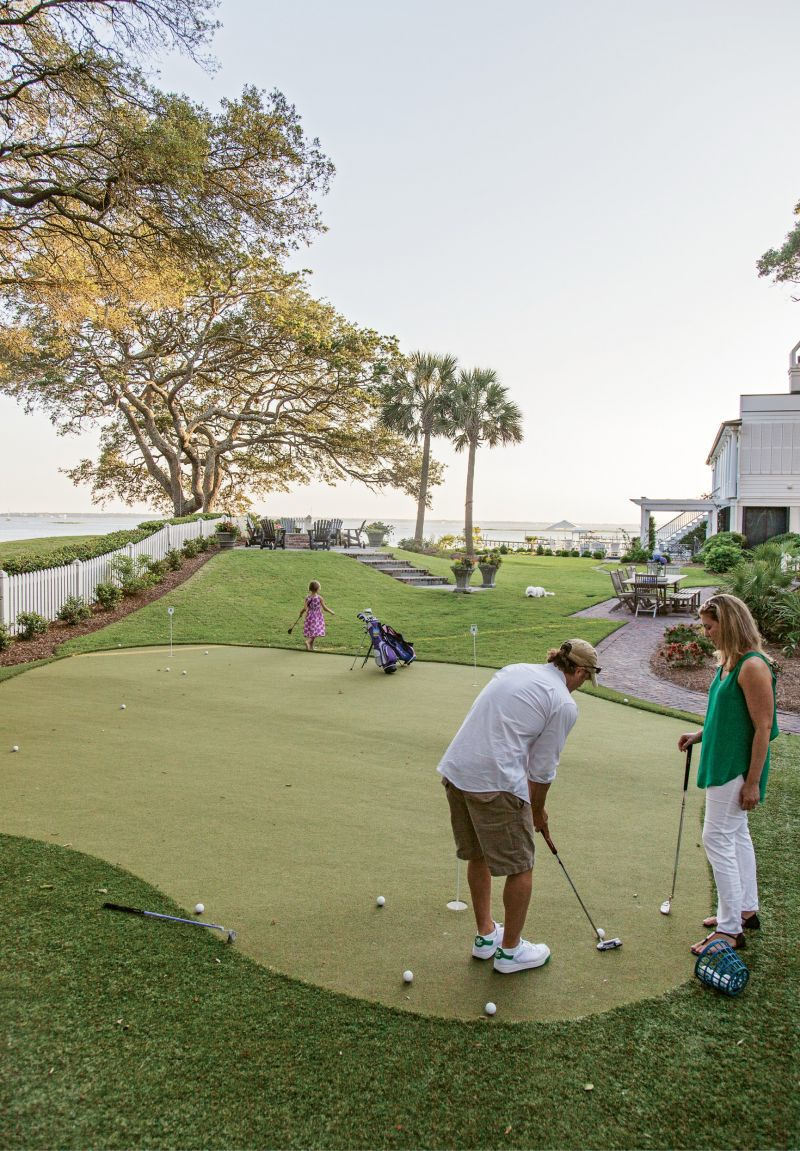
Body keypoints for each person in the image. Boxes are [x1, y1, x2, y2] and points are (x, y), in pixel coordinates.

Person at [437, 638, 601, 974]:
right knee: (521, 866)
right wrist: (536, 812)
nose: (583, 686)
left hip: (456, 770)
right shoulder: (563, 703)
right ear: (579, 671)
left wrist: (533, 808)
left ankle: (486, 937)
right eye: (586, 679)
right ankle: (510, 952)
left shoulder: (516, 670)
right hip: (493, 781)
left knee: (479, 854)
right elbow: (541, 771)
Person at [679, 594, 778, 955]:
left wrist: (752, 782)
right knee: (736, 836)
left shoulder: (753, 666)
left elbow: (763, 728)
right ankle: (745, 910)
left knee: (717, 837)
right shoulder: (730, 663)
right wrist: (699, 735)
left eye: (709, 626)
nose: (706, 633)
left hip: (736, 767)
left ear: (729, 623)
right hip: (723, 758)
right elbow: (726, 715)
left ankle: (730, 929)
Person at [298, 580, 335, 651]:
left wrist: (301, 613)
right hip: (317, 617)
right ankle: (308, 642)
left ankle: (311, 647)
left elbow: (305, 608)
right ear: (318, 589)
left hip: (309, 616)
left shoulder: (307, 597)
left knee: (313, 631)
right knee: (316, 631)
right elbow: (324, 608)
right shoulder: (319, 598)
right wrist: (331, 612)